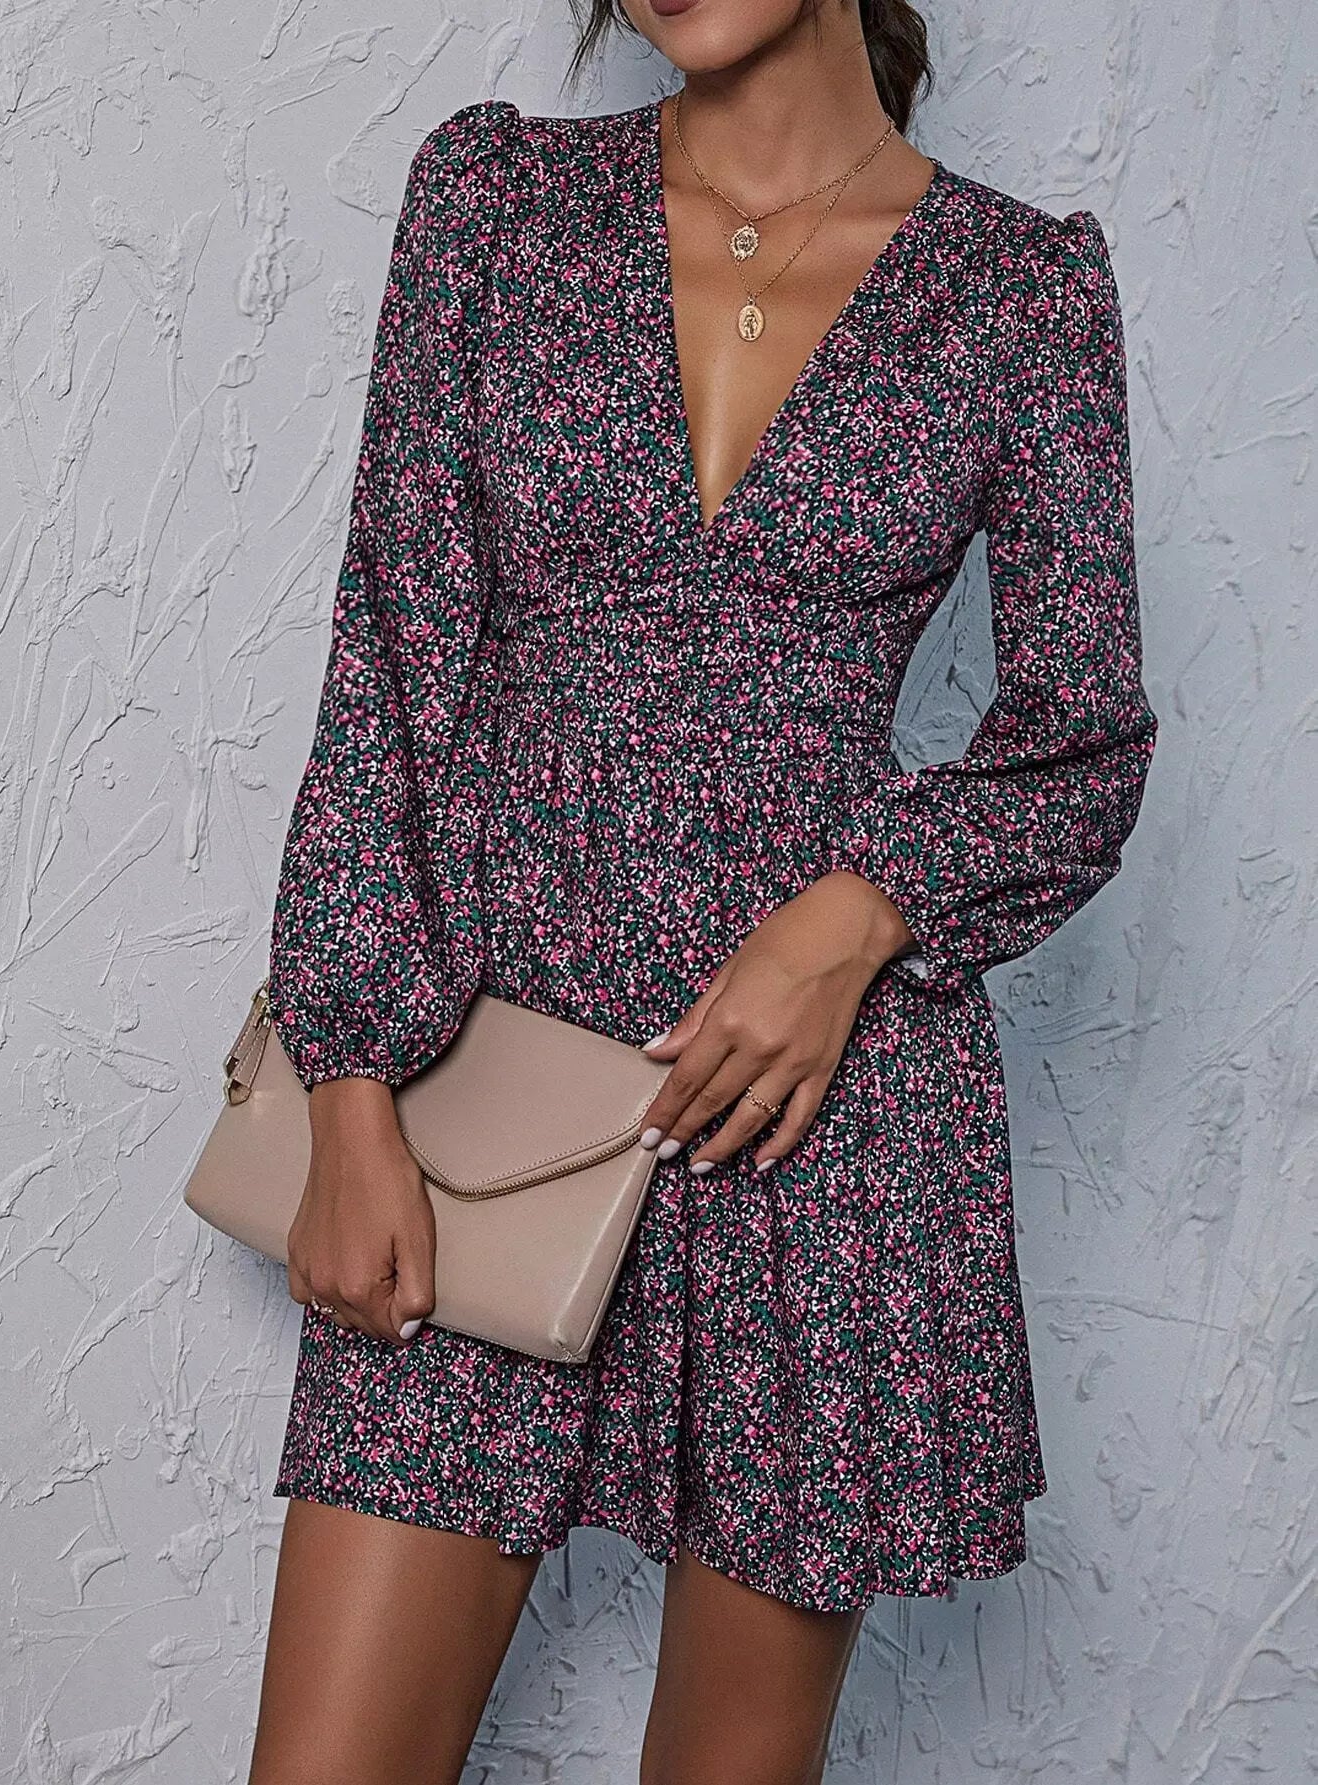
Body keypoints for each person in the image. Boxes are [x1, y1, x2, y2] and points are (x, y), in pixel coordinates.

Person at [245, 1, 1158, 1780]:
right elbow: (394, 659)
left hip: (814, 1130)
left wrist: (858, 914)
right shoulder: (496, 204)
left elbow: (1084, 735)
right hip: (482, 1098)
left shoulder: (1021, 295)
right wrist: (348, 1086)